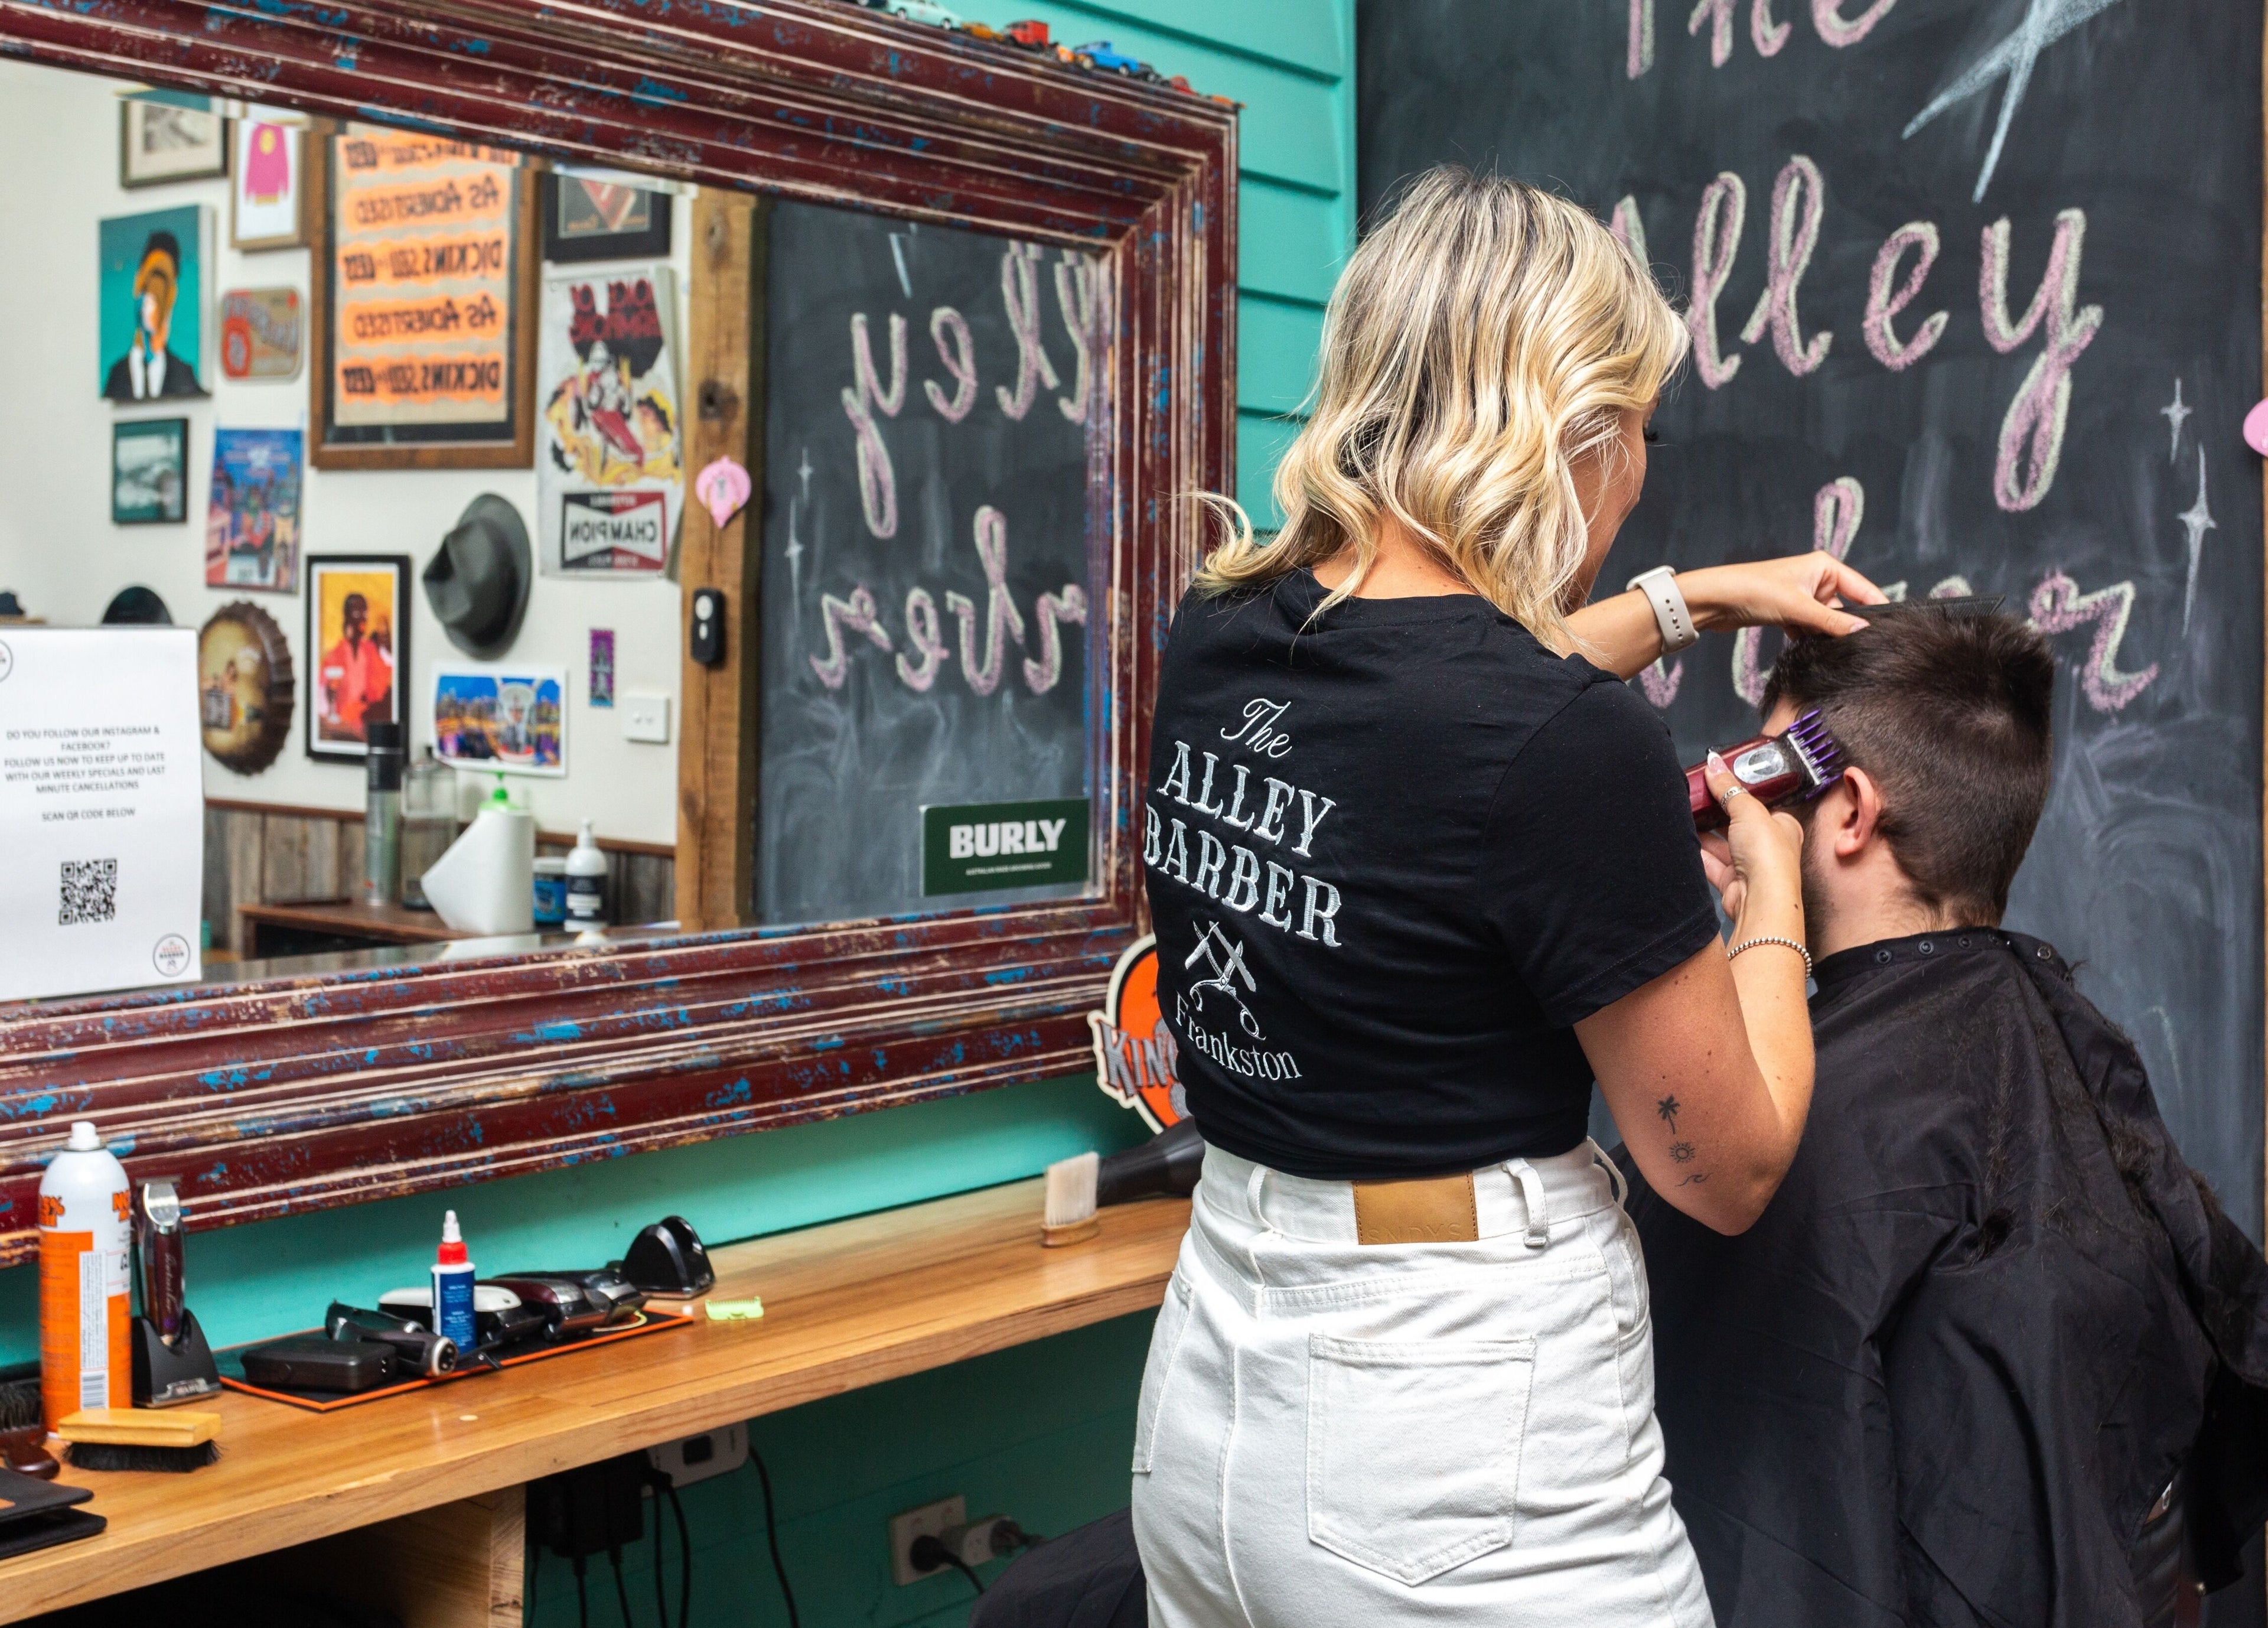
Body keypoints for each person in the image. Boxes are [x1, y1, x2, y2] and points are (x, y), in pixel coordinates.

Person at [1131, 165, 1886, 1628]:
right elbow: (1718, 1170)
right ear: (1576, 429)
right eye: (1637, 431)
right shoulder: (1560, 745)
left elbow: (1462, 709)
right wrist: (1770, 903)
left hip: (1217, 1382)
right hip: (1445, 1433)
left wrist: (1698, 595)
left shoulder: (1223, 630)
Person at [1625, 605, 2268, 1627]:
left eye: (1761, 770)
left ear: (1845, 813)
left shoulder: (1785, 1135)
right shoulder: (2077, 1057)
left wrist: (1752, 933)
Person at [103, 230, 204, 402]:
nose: (154, 294)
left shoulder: (186, 378)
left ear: (172, 294)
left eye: (163, 283)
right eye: (150, 279)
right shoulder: (115, 378)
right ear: (138, 282)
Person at [320, 591, 394, 741]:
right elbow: (322, 698)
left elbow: (384, 680)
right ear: (347, 616)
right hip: (344, 727)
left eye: (365, 612)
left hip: (367, 723)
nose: (363, 617)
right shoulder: (336, 654)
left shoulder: (370, 650)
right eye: (357, 612)